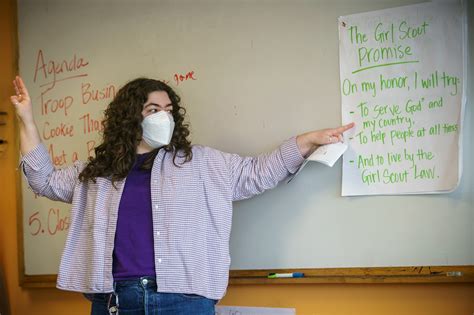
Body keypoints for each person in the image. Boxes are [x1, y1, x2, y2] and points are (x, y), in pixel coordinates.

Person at [11, 76, 354, 315]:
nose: (165, 116)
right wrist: (26, 120)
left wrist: (307, 141)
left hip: (181, 300)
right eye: (153, 110)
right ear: (131, 117)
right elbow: (44, 180)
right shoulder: (98, 171)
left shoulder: (201, 162)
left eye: (169, 110)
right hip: (113, 300)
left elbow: (257, 172)